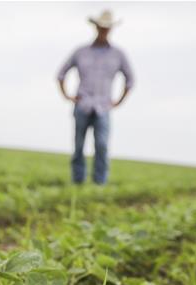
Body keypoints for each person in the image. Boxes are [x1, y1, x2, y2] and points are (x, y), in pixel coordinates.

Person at [57, 10, 134, 185]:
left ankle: (99, 183)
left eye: (107, 28)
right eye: (101, 27)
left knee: (102, 145)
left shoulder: (118, 54)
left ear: (111, 29)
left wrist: (119, 101)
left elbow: (130, 80)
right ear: (96, 27)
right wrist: (67, 96)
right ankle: (78, 181)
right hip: (82, 104)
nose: (103, 30)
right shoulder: (81, 51)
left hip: (104, 107)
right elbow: (61, 74)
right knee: (78, 145)